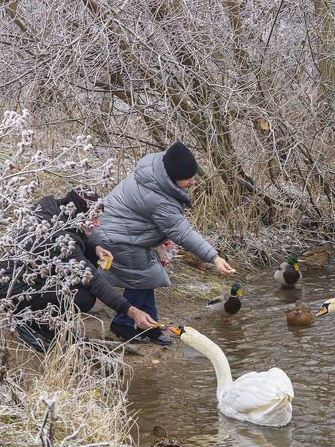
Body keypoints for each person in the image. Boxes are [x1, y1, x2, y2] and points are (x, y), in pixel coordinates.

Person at [90, 142, 234, 345]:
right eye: (188, 178)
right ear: (173, 176)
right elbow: (183, 232)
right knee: (142, 277)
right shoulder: (158, 198)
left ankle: (151, 327)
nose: (193, 182)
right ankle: (123, 324)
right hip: (115, 238)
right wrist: (214, 258)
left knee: (146, 277)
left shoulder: (155, 172)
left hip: (115, 231)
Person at [0, 188, 160, 352]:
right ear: (78, 214)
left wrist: (93, 247)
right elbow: (94, 281)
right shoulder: (58, 240)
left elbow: (72, 235)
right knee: (83, 297)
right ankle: (31, 324)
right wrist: (131, 312)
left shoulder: (52, 208)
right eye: (93, 218)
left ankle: (48, 322)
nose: (97, 224)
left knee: (85, 267)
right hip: (15, 294)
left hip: (25, 279)